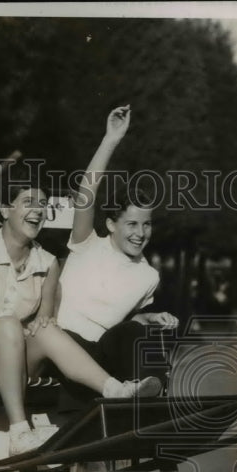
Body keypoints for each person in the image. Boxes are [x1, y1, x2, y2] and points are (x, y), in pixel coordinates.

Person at [0, 89, 162, 457]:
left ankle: (116, 390)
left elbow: (41, 326)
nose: (38, 210)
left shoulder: (48, 263)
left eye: (42, 204)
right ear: (6, 208)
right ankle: (18, 431)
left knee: (47, 329)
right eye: (29, 202)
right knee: (9, 325)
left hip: (16, 364)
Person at [54, 105, 179, 400]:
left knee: (136, 334)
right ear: (111, 224)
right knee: (71, 338)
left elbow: (128, 324)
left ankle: (155, 392)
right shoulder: (88, 244)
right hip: (65, 351)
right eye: (132, 224)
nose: (140, 233)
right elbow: (86, 195)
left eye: (147, 225)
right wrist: (111, 139)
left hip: (103, 357)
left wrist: (151, 318)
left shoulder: (148, 275)